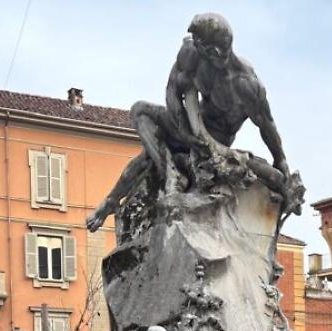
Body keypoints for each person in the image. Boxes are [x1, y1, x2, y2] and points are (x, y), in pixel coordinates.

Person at [87, 13, 302, 232]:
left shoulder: (245, 84)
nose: (194, 48)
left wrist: (280, 159)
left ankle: (116, 199)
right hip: (188, 128)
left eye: (200, 45)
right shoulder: (191, 54)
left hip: (215, 143)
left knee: (144, 160)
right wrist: (184, 130)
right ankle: (166, 175)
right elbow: (172, 90)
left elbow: (266, 124)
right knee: (140, 112)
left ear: (214, 51)